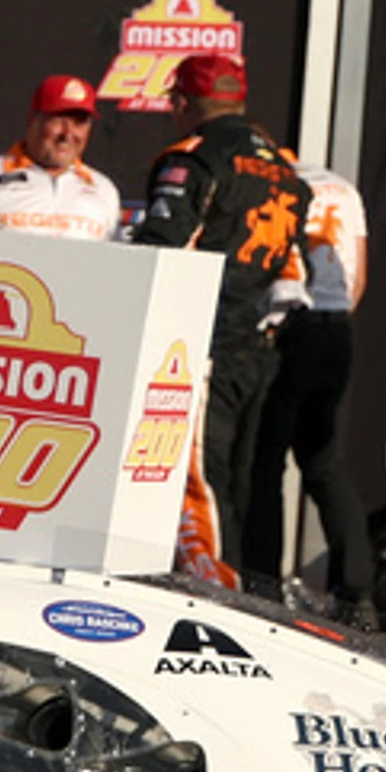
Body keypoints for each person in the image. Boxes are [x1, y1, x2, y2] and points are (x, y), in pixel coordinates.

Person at [128, 56, 310, 584]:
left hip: (199, 345)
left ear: (182, 103)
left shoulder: (194, 158)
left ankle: (212, 597)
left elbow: (162, 249)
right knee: (240, 483)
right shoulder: (286, 171)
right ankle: (247, 590)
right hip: (257, 348)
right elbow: (294, 273)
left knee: (197, 481)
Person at [256, 155, 375, 618]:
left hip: (289, 329)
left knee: (264, 465)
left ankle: (259, 586)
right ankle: (358, 595)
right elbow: (358, 278)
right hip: (336, 329)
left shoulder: (271, 184)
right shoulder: (345, 188)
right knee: (323, 461)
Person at [0, 77, 122, 239]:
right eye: (58, 119)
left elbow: (116, 267)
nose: (68, 134)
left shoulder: (104, 190)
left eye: (79, 122)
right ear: (32, 120)